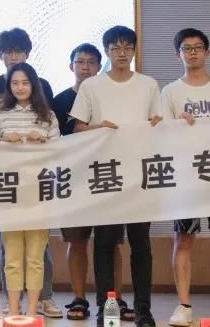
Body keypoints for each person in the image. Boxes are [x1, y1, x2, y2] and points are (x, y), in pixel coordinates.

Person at [72, 25, 161, 327]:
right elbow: (77, 129)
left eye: (127, 47)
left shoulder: (148, 85)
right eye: (116, 48)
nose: (122, 53)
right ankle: (106, 308)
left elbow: (159, 125)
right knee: (105, 244)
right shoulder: (92, 86)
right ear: (107, 51)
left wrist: (158, 124)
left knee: (141, 245)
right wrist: (98, 129)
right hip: (105, 175)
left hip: (139, 176)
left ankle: (143, 309)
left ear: (134, 50)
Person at [161, 29, 210, 325]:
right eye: (186, 48)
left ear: (207, 53)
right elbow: (161, 135)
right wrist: (176, 125)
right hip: (186, 175)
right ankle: (183, 306)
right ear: (178, 55)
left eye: (198, 48)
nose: (192, 52)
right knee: (183, 239)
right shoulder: (170, 92)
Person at [0, 28, 60, 319]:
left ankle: (32, 310)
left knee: (36, 258)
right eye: (14, 83)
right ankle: (14, 311)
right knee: (12, 258)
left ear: (34, 85)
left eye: (25, 82)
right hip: (9, 193)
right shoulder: (1, 115)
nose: (19, 87)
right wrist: (4, 141)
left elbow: (61, 153)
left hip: (39, 193)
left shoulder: (48, 116)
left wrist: (45, 142)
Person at [53, 43, 126, 322]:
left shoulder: (110, 95)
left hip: (109, 177)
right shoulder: (60, 100)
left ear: (100, 66)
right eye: (80, 62)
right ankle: (79, 298)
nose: (85, 67)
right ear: (70, 66)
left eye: (91, 62)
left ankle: (115, 298)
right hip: (73, 180)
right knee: (77, 241)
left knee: (111, 243)